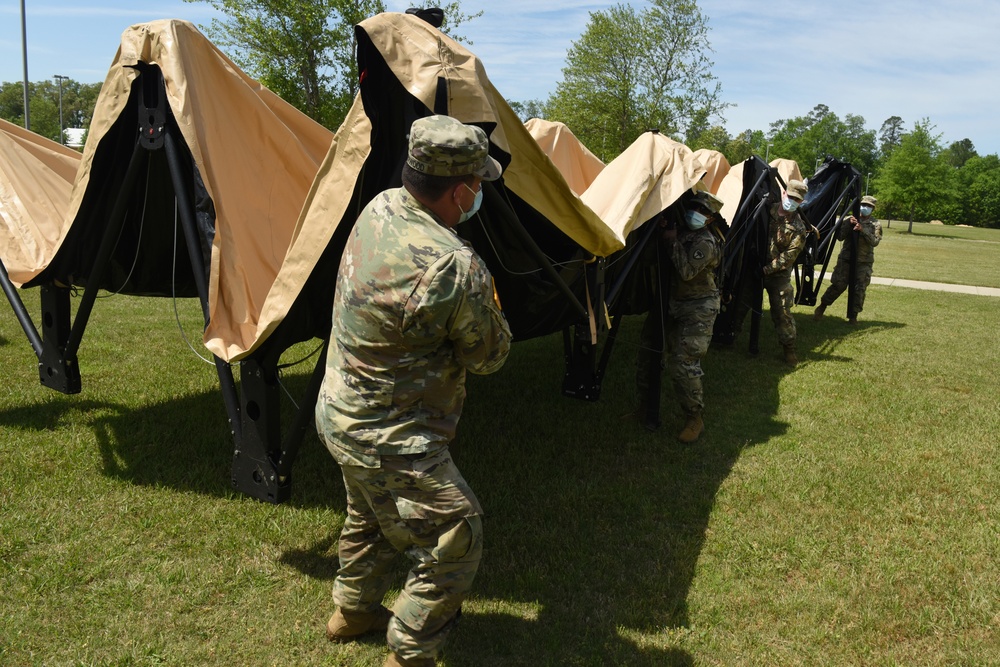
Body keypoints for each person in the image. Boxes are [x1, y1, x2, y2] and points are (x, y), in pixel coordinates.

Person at [315, 115, 512, 667]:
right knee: (456, 535)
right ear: (462, 190)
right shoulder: (456, 264)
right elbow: (491, 356)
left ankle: (352, 613)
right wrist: (489, 303)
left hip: (340, 413)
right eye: (478, 184)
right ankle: (408, 653)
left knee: (369, 516)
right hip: (392, 436)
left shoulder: (379, 206)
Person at [636, 190, 726, 443]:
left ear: (710, 218)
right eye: (694, 207)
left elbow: (686, 271)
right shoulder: (681, 230)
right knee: (648, 353)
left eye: (703, 211)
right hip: (669, 302)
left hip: (698, 307)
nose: (696, 214)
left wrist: (671, 241)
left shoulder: (706, 242)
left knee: (683, 363)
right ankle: (645, 406)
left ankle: (694, 417)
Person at [728, 178, 811, 366]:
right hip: (754, 269)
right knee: (739, 306)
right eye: (789, 196)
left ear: (801, 202)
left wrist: (764, 270)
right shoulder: (766, 210)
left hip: (777, 275)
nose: (791, 201)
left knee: (782, 313)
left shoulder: (798, 227)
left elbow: (787, 258)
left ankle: (789, 348)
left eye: (796, 199)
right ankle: (731, 336)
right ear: (783, 193)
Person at [814, 195, 882, 324]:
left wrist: (863, 230)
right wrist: (847, 225)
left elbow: (874, 242)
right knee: (838, 285)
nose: (865, 208)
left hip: (863, 262)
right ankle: (822, 307)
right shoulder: (849, 220)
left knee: (859, 289)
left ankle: (853, 316)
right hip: (846, 259)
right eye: (863, 205)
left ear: (873, 209)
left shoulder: (875, 224)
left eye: (868, 206)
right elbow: (839, 236)